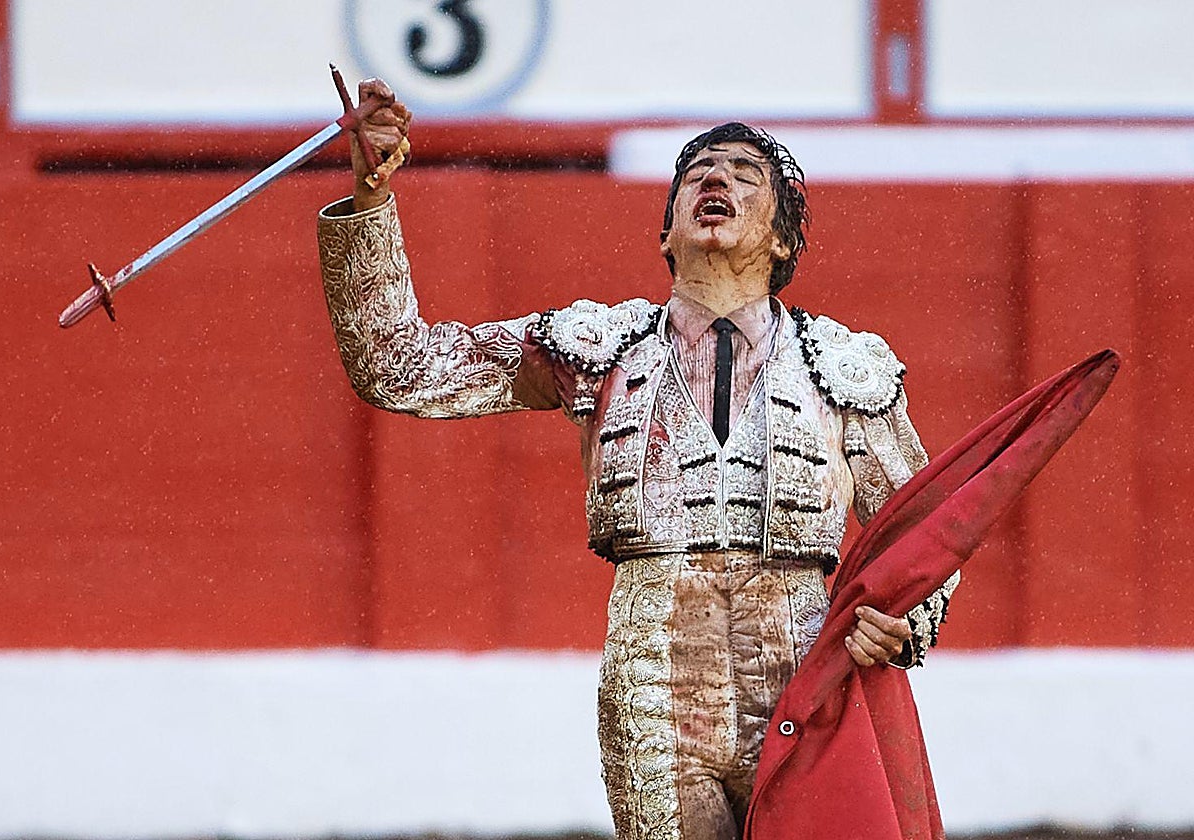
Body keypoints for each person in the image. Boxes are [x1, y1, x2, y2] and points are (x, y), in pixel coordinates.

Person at [316, 79, 959, 840]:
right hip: (656, 667)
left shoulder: (844, 365)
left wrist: (902, 620)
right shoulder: (595, 348)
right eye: (698, 175)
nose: (716, 181)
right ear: (666, 236)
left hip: (803, 660)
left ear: (783, 240)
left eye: (745, 175)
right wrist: (368, 195)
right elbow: (399, 365)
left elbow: (927, 530)